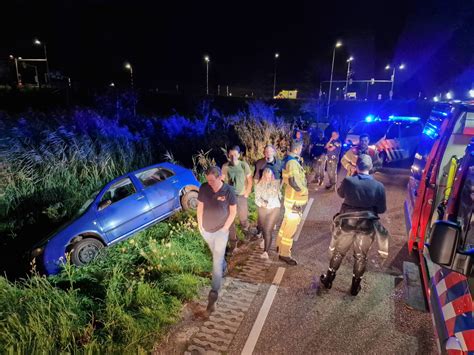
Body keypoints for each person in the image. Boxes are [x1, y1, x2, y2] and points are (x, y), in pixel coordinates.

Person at [320, 155, 387, 296]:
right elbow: (381, 209)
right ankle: (355, 287)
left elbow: (340, 193)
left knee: (339, 252)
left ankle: (329, 280)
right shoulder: (379, 186)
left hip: (347, 224)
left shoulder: (349, 181)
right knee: (361, 257)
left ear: (357, 166)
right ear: (370, 168)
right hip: (366, 227)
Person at [197, 166, 237, 312]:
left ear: (220, 177)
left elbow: (233, 212)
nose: (210, 184)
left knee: (216, 262)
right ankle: (224, 266)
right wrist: (200, 226)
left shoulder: (228, 191)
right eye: (208, 181)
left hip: (221, 231)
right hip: (206, 231)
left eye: (212, 181)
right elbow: (200, 208)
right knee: (216, 255)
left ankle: (212, 297)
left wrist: (225, 228)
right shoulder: (203, 188)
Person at [276, 140, 309, 265]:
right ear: (297, 149)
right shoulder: (292, 163)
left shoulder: (288, 160)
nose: (301, 150)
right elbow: (294, 182)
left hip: (290, 199)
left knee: (285, 224)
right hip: (295, 200)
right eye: (300, 148)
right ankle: (285, 253)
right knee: (290, 228)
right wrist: (304, 191)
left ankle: (279, 246)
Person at [221, 146, 253, 251]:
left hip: (242, 196)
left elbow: (250, 180)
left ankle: (247, 233)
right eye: (230, 155)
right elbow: (222, 181)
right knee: (230, 220)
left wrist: (247, 193)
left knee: (243, 218)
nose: (233, 157)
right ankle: (233, 244)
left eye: (235, 154)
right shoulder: (225, 166)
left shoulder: (244, 165)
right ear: (228, 155)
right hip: (230, 197)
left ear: (239, 155)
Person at [253, 145, 283, 238]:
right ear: (264, 153)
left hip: (275, 190)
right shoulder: (259, 163)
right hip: (263, 190)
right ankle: (259, 229)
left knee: (274, 209)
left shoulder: (280, 163)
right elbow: (256, 177)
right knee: (261, 211)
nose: (268, 153)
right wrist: (257, 190)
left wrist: (279, 188)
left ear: (274, 152)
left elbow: (282, 177)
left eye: (270, 151)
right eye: (266, 151)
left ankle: (272, 223)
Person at [254, 168, 282, 259]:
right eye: (266, 177)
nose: (267, 179)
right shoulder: (258, 186)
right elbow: (257, 199)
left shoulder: (275, 184)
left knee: (267, 230)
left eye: (269, 177)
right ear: (263, 177)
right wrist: (262, 203)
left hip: (274, 208)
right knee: (262, 227)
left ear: (272, 177)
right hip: (263, 209)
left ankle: (265, 252)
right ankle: (265, 238)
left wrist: (275, 192)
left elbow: (278, 197)